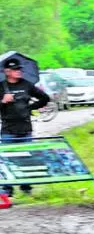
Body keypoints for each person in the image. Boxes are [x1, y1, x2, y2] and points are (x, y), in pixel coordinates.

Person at [1, 57, 50, 197]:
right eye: (15, 69)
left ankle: (26, 186)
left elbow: (45, 98)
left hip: (25, 128)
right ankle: (7, 188)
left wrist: (30, 108)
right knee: (6, 157)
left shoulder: (27, 85)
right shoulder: (1, 86)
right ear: (7, 71)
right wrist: (3, 101)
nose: (19, 71)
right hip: (8, 129)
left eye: (20, 69)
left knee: (27, 157)